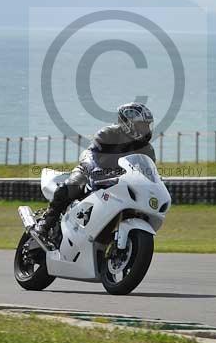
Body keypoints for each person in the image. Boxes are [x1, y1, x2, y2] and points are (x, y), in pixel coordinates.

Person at [33, 102, 155, 243]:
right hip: (92, 171)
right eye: (142, 125)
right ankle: (46, 222)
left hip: (120, 182)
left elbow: (148, 171)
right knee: (73, 184)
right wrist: (95, 170)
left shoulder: (147, 149)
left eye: (147, 125)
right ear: (128, 123)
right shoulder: (108, 134)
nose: (146, 129)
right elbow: (91, 155)